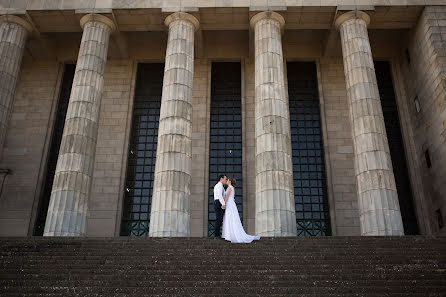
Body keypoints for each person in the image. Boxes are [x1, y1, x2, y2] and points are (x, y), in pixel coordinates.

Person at [222, 177, 260, 243]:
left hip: (229, 204)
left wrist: (223, 204)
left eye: (227, 180)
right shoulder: (232, 188)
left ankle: (230, 235)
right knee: (231, 219)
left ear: (230, 181)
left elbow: (227, 197)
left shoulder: (230, 187)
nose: (227, 180)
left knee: (230, 218)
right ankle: (230, 235)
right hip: (231, 204)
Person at [213, 174, 227, 239]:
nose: (226, 180)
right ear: (221, 179)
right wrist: (223, 204)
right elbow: (219, 195)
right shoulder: (219, 185)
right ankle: (217, 235)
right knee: (218, 219)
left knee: (220, 219)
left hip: (219, 202)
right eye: (225, 179)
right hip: (218, 202)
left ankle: (217, 234)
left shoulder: (221, 186)